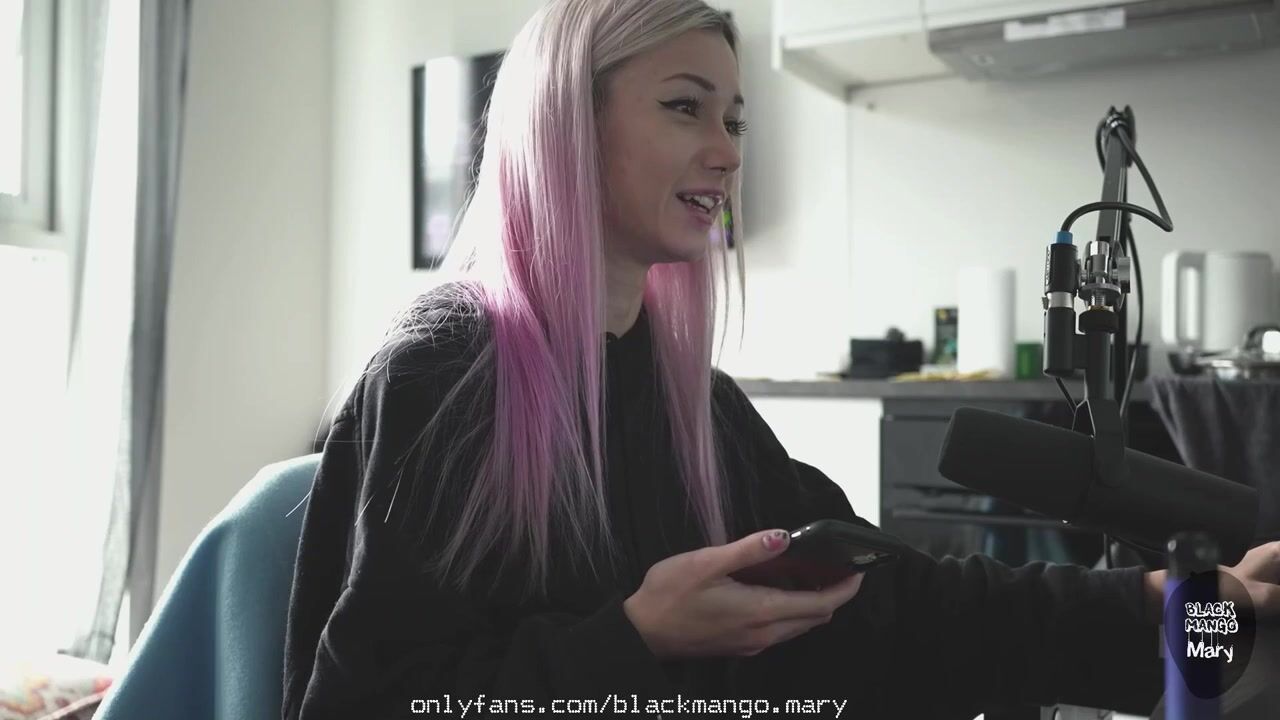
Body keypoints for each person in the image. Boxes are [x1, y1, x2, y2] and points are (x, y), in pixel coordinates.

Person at [281, 1, 1280, 718]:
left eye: (734, 119)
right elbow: (368, 699)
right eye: (685, 107)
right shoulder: (447, 374)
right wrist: (636, 638)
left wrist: (1171, 607)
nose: (725, 150)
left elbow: (896, 608)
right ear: (565, 123)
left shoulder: (698, 409)